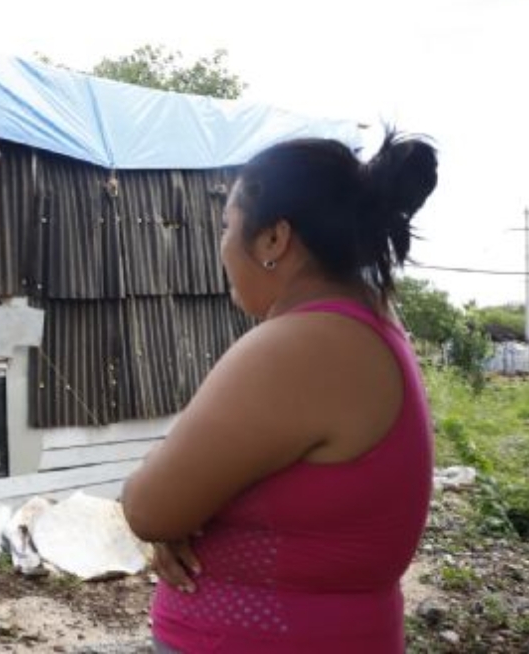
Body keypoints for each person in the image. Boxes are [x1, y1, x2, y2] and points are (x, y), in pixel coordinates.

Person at [122, 130, 438, 653]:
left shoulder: (300, 346)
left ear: (273, 239)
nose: (222, 245)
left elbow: (149, 509)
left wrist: (169, 505)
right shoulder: (368, 327)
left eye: (227, 226)